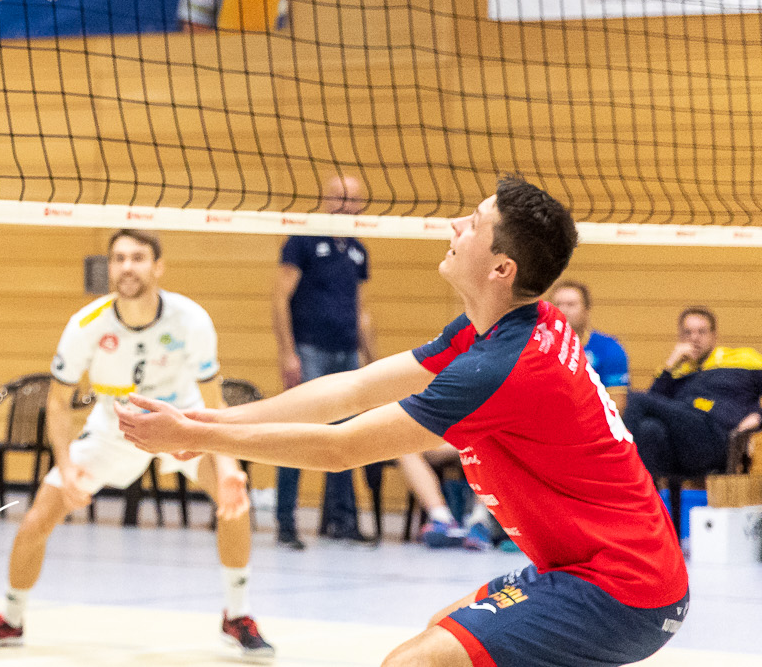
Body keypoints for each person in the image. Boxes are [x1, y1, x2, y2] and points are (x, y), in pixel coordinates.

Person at [119, 176, 690, 667]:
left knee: (412, 662)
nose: (453, 227)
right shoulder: (502, 326)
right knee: (442, 626)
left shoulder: (499, 368)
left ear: (501, 267)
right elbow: (353, 387)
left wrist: (197, 436)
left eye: (471, 224)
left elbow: (340, 448)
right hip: (603, 570)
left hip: (621, 587)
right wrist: (211, 418)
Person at [0, 230, 270, 659]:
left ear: (158, 267)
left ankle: (237, 615)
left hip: (183, 425)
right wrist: (67, 472)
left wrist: (230, 466)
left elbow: (214, 401)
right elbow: (58, 402)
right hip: (113, 430)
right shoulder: (87, 324)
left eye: (138, 258)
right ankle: (11, 620)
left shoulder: (191, 319)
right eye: (119, 258)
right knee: (37, 518)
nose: (127, 267)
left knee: (235, 503)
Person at [270, 175, 373, 548]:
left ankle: (342, 522)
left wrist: (371, 361)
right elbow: (280, 298)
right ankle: (286, 522)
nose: (345, 205)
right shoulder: (302, 240)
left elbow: (361, 310)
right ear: (326, 200)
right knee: (298, 436)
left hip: (346, 354)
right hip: (309, 351)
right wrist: (287, 352)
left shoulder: (358, 250)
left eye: (353, 199)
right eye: (338, 197)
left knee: (347, 438)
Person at [624, 306, 762, 483]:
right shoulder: (674, 372)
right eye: (688, 333)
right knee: (648, 429)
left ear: (714, 335)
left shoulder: (743, 359)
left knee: (635, 398)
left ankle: (619, 472)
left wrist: (758, 417)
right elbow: (650, 406)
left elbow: (644, 402)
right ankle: (645, 501)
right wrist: (669, 367)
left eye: (701, 332)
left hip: (720, 436)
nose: (694, 338)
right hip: (684, 447)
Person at [550, 281, 630, 410]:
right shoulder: (537, 347)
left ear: (586, 310)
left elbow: (616, 405)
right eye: (557, 304)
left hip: (591, 423)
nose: (563, 310)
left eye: (571, 305)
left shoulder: (609, 348)